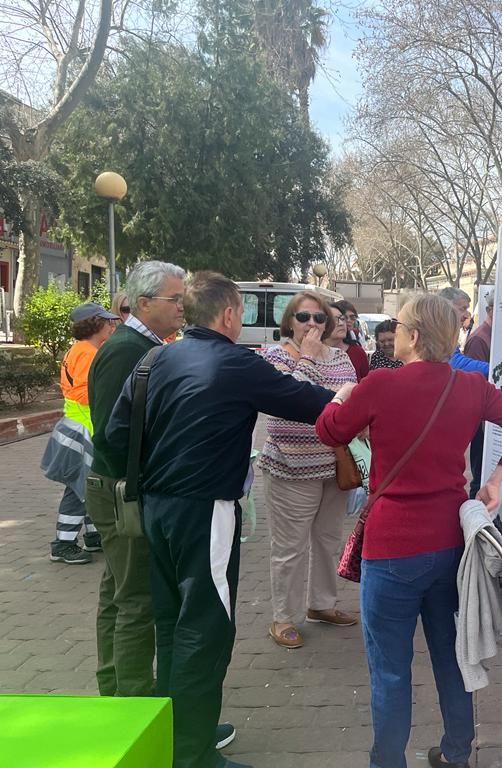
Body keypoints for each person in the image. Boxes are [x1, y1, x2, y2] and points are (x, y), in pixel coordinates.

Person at [106, 272, 336, 768]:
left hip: (157, 509)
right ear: (229, 314)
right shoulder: (236, 363)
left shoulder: (154, 358)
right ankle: (193, 754)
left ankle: (175, 735)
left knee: (170, 624)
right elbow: (313, 404)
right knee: (205, 630)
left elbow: (115, 432)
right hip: (205, 510)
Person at [314, 293, 502, 768]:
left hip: (390, 549)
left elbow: (329, 431)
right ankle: (456, 753)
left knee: (391, 672)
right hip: (449, 546)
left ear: (414, 336)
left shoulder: (378, 385)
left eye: (398, 326)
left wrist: (339, 397)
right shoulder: (470, 387)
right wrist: (495, 482)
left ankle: (388, 762)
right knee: (451, 656)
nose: (393, 333)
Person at [87, 260, 186, 698]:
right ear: (144, 303)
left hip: (122, 489)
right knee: (136, 602)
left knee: (119, 594)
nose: (183, 308)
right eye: (175, 300)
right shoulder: (126, 349)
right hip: (122, 492)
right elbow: (111, 433)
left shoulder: (144, 345)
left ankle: (113, 691)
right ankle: (134, 705)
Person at [259, 291, 359, 650]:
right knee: (290, 547)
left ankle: (322, 604)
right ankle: (284, 617)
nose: (313, 325)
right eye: (304, 318)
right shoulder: (275, 357)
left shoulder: (341, 357)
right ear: (289, 322)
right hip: (290, 467)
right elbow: (291, 399)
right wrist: (308, 360)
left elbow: (351, 403)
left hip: (334, 466)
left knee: (329, 540)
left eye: (319, 319)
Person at [42, 302, 118, 564]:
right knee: (81, 487)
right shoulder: (87, 353)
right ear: (94, 325)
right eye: (107, 321)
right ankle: (63, 544)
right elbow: (87, 393)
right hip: (83, 428)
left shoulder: (82, 350)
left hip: (78, 426)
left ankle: (93, 535)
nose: (112, 325)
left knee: (88, 485)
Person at [464, 290, 494, 496]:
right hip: (482, 423)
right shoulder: (479, 339)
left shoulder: (496, 336)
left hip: (492, 420)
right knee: (480, 477)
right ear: (490, 310)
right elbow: (475, 384)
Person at [436, 287, 488, 376]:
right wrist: (494, 369)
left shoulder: (444, 332)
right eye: (462, 309)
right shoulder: (435, 333)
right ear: (446, 307)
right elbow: (456, 362)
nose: (467, 315)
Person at [328, 299, 369, 380]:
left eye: (342, 319)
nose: (341, 323)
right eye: (336, 319)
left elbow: (366, 383)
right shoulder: (313, 352)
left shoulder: (357, 352)